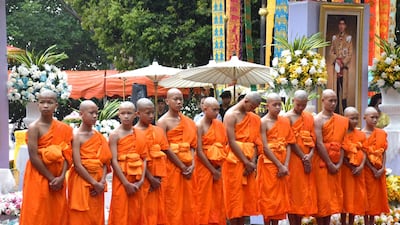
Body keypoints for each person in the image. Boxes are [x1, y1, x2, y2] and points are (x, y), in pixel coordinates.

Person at [19, 90, 73, 225]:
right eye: (42, 102)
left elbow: (68, 154)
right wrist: (51, 178)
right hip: (38, 175)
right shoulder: (34, 128)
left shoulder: (65, 128)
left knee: (57, 211)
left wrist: (61, 177)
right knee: (37, 210)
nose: (45, 105)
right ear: (38, 104)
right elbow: (33, 156)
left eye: (49, 102)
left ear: (56, 105)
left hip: (58, 176)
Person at [157, 88, 197, 225]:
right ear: (167, 101)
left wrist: (192, 165)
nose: (179, 102)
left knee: (189, 201)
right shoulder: (163, 122)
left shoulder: (188, 122)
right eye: (175, 99)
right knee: (172, 202)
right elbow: (164, 147)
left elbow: (192, 145)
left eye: (181, 99)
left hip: (188, 167)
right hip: (172, 168)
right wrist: (181, 166)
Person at [68, 100, 112, 225]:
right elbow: (77, 165)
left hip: (98, 182)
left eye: (96, 113)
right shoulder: (76, 136)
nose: (94, 116)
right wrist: (94, 183)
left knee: (96, 215)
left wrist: (102, 182)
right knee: (81, 216)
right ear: (81, 114)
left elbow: (105, 161)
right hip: (82, 181)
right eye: (91, 113)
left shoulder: (99, 136)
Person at [222, 91, 262, 225]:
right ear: (245, 101)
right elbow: (231, 141)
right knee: (234, 200)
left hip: (249, 162)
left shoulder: (253, 118)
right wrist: (245, 162)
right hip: (234, 162)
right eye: (252, 107)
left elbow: (255, 142)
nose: (253, 110)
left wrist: (252, 163)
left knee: (246, 201)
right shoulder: (230, 115)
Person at [258, 93, 296, 225]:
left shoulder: (285, 121)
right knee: (268, 197)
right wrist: (279, 165)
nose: (278, 107)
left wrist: (285, 164)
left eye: (280, 104)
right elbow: (264, 148)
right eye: (275, 105)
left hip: (283, 163)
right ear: (267, 105)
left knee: (280, 198)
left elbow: (289, 143)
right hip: (269, 164)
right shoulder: (263, 122)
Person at [107, 101, 147, 225]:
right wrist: (125, 183)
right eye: (123, 113)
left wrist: (141, 181)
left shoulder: (140, 134)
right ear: (118, 114)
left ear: (135, 114)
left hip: (137, 179)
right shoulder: (115, 135)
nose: (126, 116)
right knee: (120, 211)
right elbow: (113, 161)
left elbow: (144, 157)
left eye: (129, 113)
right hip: (121, 179)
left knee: (137, 211)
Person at [313, 89, 348, 225]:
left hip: (336, 163)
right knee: (322, 197)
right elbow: (319, 143)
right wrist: (329, 163)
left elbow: (343, 143)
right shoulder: (317, 120)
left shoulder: (340, 120)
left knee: (331, 198)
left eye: (335, 100)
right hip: (322, 163)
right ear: (323, 101)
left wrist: (338, 164)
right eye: (330, 100)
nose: (333, 103)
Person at [134, 98, 169, 225]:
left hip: (159, 179)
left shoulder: (158, 130)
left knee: (158, 212)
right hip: (143, 179)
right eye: (147, 113)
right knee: (143, 212)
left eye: (152, 112)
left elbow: (164, 153)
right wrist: (150, 178)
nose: (150, 116)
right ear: (137, 113)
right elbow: (138, 159)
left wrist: (158, 178)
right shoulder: (133, 133)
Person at [285, 90, 317, 225]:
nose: (300, 108)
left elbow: (314, 138)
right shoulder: (287, 118)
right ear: (293, 101)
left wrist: (310, 155)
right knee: (294, 192)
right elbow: (290, 140)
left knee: (305, 192)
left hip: (308, 158)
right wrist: (304, 157)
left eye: (303, 105)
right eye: (298, 105)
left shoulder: (309, 117)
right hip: (294, 159)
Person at [194, 97, 227, 225]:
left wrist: (218, 167)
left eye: (218, 109)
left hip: (218, 166)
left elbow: (223, 145)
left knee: (217, 199)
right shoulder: (199, 126)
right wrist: (212, 170)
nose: (217, 112)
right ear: (204, 109)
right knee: (203, 199)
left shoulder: (219, 124)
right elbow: (199, 151)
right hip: (204, 167)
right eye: (214, 110)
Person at [362, 107, 390, 225]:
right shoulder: (361, 134)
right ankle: (365, 221)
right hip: (366, 170)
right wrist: (372, 168)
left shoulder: (381, 133)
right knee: (366, 198)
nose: (374, 120)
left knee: (375, 199)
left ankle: (372, 222)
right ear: (365, 118)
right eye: (372, 117)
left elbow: (383, 151)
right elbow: (363, 154)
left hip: (379, 171)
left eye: (376, 117)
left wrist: (382, 168)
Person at [340, 107, 367, 225]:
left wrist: (361, 166)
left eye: (357, 118)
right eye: (352, 118)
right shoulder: (341, 134)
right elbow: (340, 152)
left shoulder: (361, 134)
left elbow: (365, 151)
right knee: (344, 197)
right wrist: (349, 165)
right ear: (345, 118)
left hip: (358, 171)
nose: (355, 121)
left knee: (354, 198)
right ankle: (343, 222)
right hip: (345, 171)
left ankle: (351, 222)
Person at [329, 17, 353, 114]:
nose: (341, 26)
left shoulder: (348, 38)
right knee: (336, 89)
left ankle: (345, 111)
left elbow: (350, 53)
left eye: (343, 24)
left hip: (344, 68)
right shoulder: (335, 38)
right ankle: (336, 111)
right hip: (336, 68)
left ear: (345, 26)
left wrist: (343, 62)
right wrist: (336, 59)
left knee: (344, 92)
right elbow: (331, 52)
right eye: (340, 24)